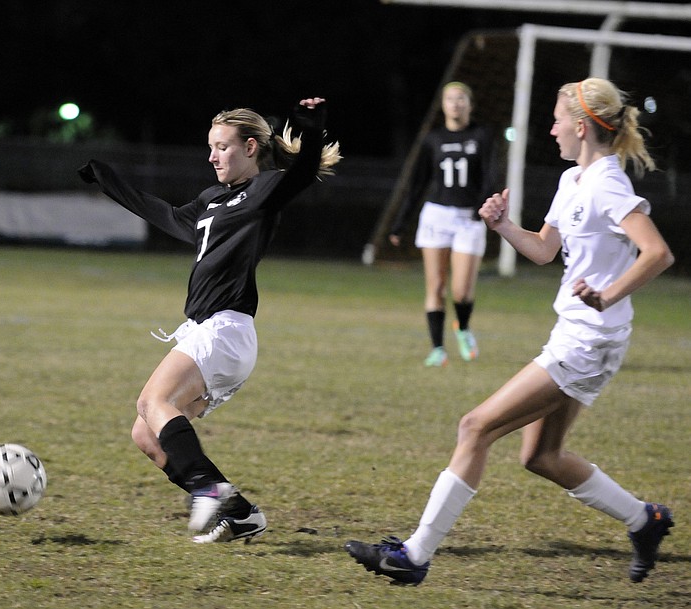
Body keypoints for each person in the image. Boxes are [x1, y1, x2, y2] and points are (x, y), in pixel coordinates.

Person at [345, 77, 674, 585]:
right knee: (541, 456)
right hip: (582, 334)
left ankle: (414, 556)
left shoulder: (608, 183)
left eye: (558, 119)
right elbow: (544, 249)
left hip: (588, 340)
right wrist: (501, 226)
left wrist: (606, 296)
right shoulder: (573, 182)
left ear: (582, 127)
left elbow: (657, 253)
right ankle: (643, 519)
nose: (552, 128)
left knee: (475, 427)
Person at [78, 98, 340, 543]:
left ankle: (207, 486)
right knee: (146, 434)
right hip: (208, 332)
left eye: (222, 147)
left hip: (226, 329)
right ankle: (239, 513)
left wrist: (312, 129)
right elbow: (162, 214)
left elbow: (302, 172)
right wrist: (108, 179)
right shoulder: (210, 200)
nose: (212, 155)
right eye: (210, 147)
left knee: (152, 402)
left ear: (251, 148)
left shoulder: (265, 190)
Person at [388, 81, 497, 367]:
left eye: (461, 98)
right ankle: (438, 349)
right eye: (450, 98)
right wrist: (400, 223)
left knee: (461, 290)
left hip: (468, 218)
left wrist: (480, 209)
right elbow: (418, 184)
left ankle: (462, 327)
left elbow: (489, 175)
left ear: (470, 105)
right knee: (436, 286)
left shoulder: (482, 135)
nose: (455, 103)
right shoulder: (432, 139)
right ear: (444, 105)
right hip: (437, 214)